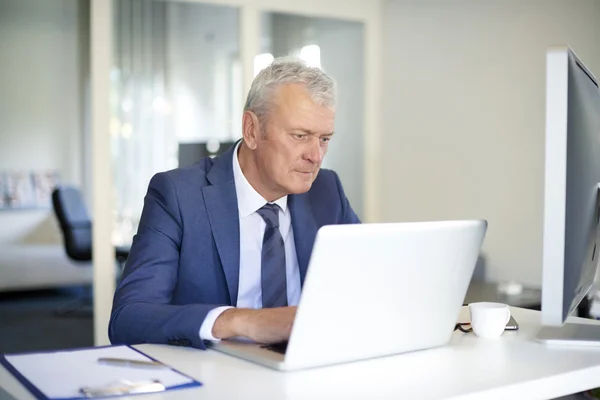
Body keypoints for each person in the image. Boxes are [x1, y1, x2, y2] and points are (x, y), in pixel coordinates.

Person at [108, 58, 360, 349]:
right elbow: (128, 319)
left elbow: (368, 283)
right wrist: (245, 321)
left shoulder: (327, 191)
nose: (315, 156)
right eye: (300, 136)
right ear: (252, 130)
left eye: (325, 139)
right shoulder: (178, 195)